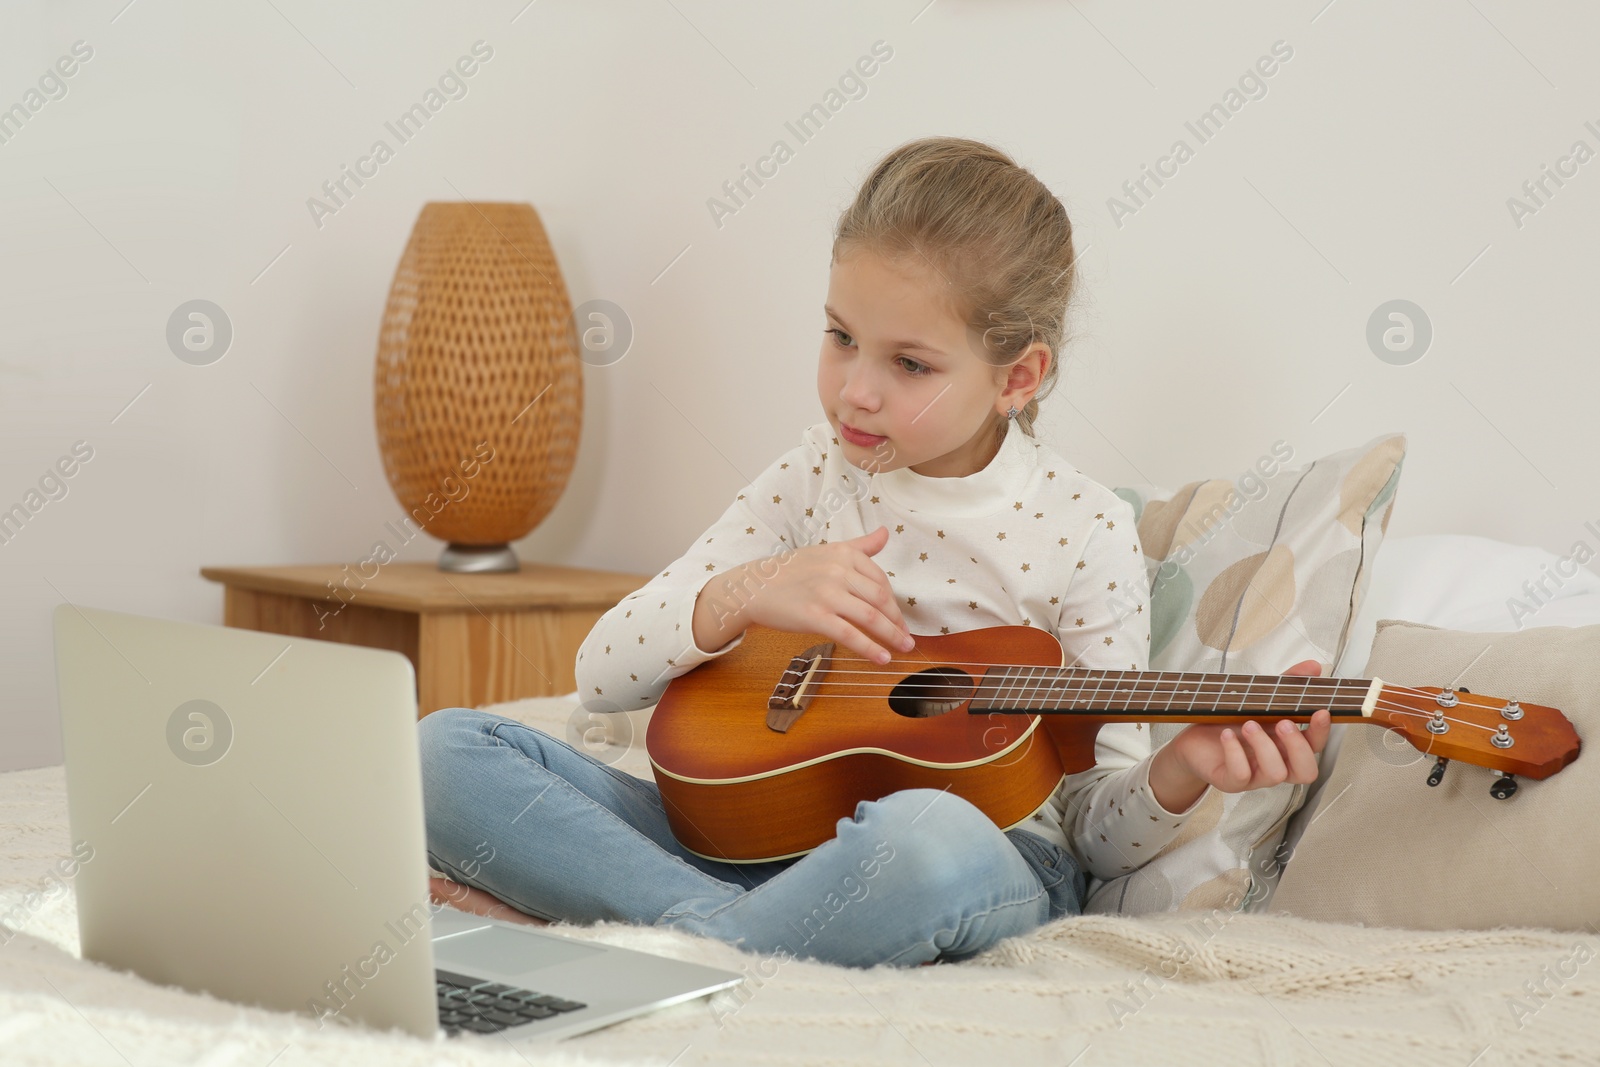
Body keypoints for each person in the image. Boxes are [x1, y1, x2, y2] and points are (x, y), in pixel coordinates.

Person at [417, 136, 1331, 969]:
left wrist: (1180, 773)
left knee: (924, 831)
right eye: (841, 337)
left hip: (981, 855)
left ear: (1018, 377)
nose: (854, 391)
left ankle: (618, 931)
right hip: (748, 840)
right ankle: (720, 934)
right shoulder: (813, 475)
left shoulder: (1085, 527)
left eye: (910, 364)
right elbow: (600, 670)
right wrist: (750, 589)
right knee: (443, 751)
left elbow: (1091, 834)